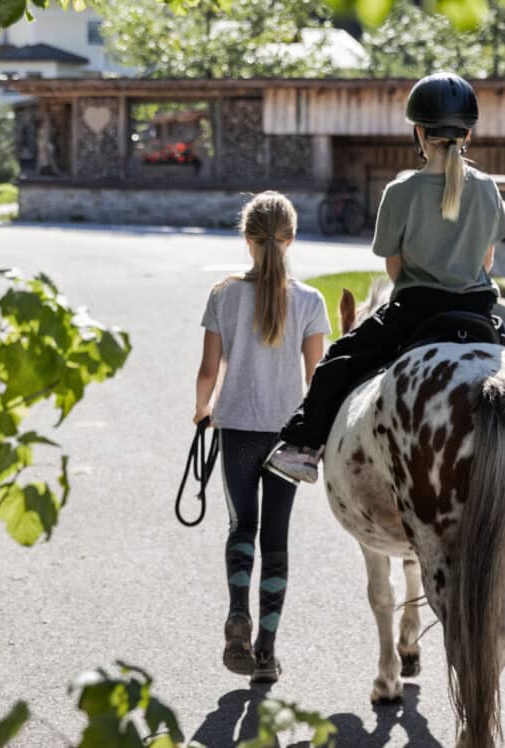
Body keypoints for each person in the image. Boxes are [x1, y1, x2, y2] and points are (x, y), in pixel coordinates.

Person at [265, 72, 505, 485]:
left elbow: (393, 269)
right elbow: (487, 262)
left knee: (337, 363)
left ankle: (302, 448)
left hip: (415, 313)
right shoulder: (487, 189)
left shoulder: (400, 191)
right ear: (467, 133)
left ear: (418, 131)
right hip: (477, 313)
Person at [194, 191, 329, 684]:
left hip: (237, 429)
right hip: (287, 435)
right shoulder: (311, 302)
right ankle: (266, 653)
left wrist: (202, 409)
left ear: (246, 239)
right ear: (290, 239)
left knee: (240, 527)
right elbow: (316, 379)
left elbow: (209, 369)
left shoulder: (223, 294)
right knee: (276, 539)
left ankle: (237, 615)